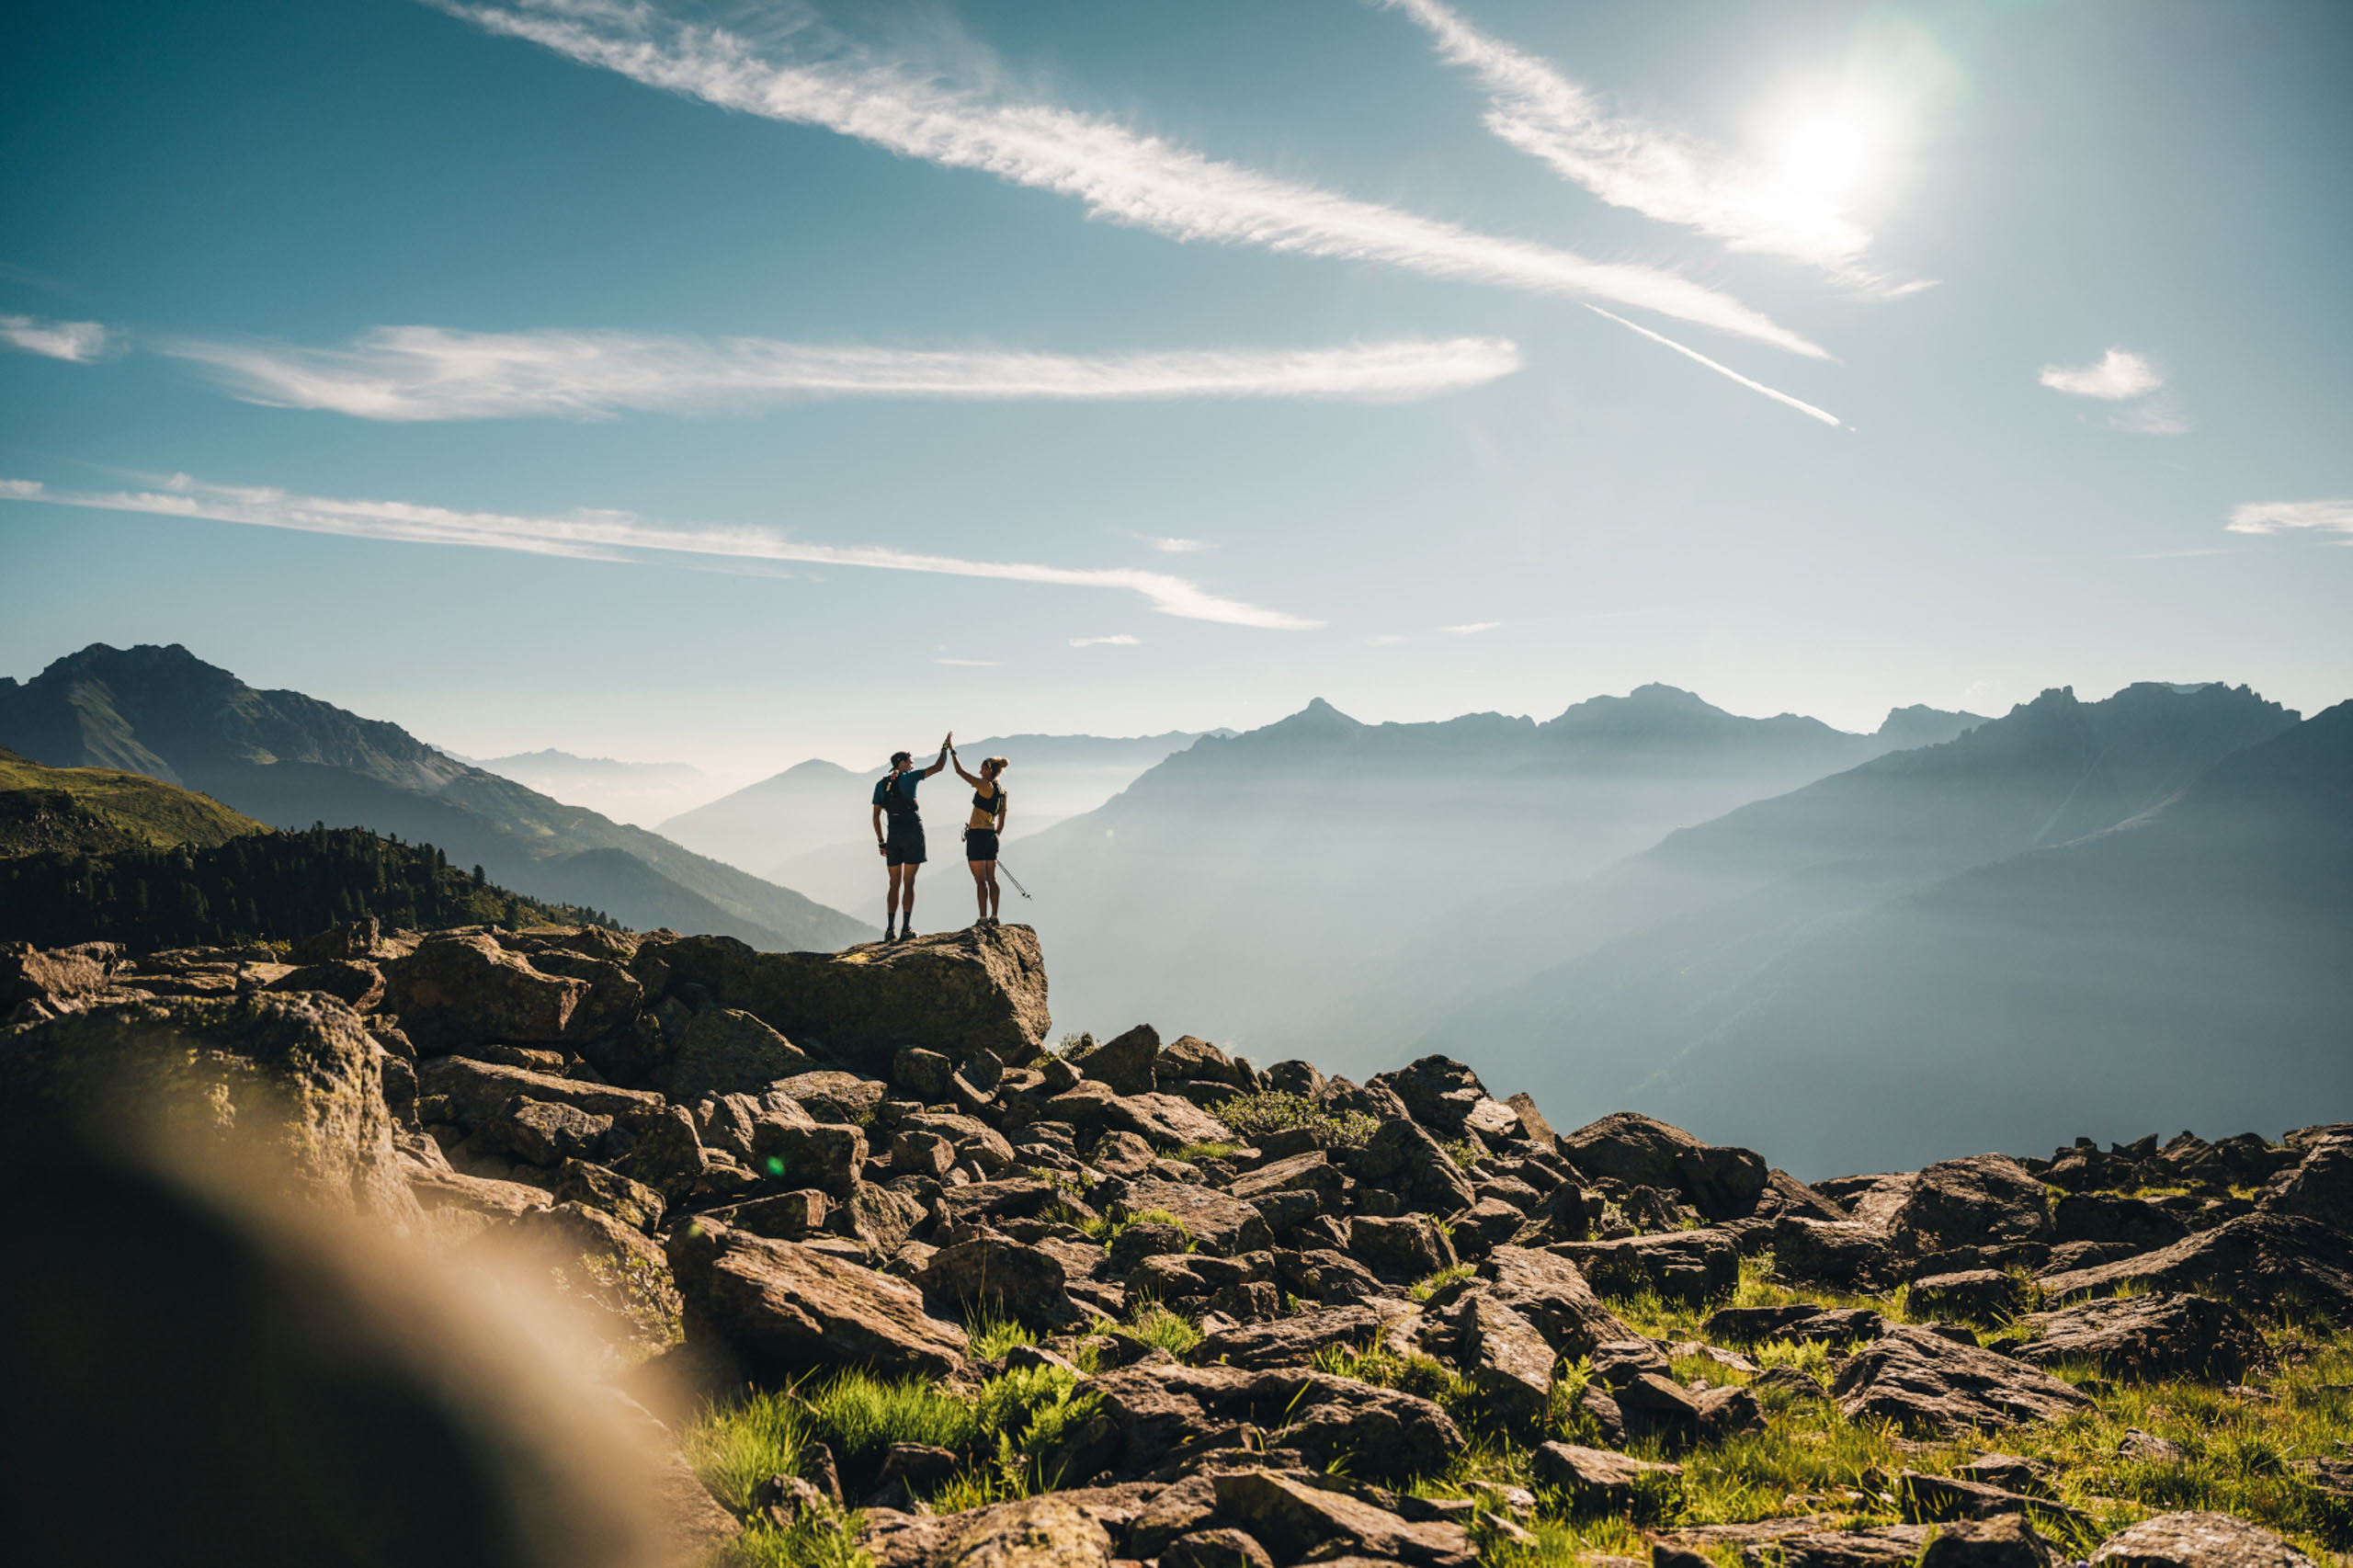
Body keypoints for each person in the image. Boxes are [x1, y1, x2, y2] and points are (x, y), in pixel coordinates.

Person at [871, 733, 950, 941]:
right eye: (911, 762)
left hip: (893, 835)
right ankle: (906, 928)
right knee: (909, 882)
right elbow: (939, 767)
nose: (913, 766)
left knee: (893, 883)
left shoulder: (882, 784)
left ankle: (890, 929)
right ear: (902, 763)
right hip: (913, 833)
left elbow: (876, 815)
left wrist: (881, 842)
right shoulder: (910, 778)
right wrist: (945, 747)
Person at [949, 746, 1010, 926]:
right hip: (991, 837)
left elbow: (960, 772)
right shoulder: (1002, 792)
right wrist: (994, 836)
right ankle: (994, 916)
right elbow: (1002, 822)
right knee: (993, 880)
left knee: (980, 881)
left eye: (982, 769)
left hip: (976, 836)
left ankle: (982, 918)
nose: (979, 772)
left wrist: (952, 752)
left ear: (989, 770)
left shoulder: (985, 785)